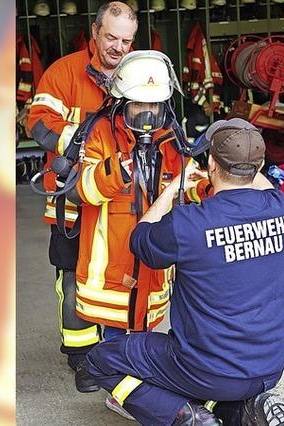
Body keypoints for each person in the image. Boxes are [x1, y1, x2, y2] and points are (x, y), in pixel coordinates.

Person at [86, 118, 284, 425]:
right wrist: (251, 162)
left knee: (102, 360)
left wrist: (171, 191)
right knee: (218, 381)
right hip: (271, 363)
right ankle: (246, 411)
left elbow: (140, 238)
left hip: (206, 367)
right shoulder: (282, 209)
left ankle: (186, 417)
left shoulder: (190, 222)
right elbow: (261, 183)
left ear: (211, 163)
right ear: (260, 165)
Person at [69, 50, 211, 414]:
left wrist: (207, 188)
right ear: (121, 104)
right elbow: (83, 189)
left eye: (155, 109)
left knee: (146, 333)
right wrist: (116, 169)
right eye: (137, 109)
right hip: (111, 261)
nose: (147, 118)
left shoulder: (172, 139)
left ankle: (139, 390)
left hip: (151, 260)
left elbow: (185, 185)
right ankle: (121, 390)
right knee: (114, 333)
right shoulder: (99, 132)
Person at [27, 1, 138, 393]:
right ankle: (81, 354)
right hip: (72, 203)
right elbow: (37, 120)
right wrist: (86, 142)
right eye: (111, 37)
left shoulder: (140, 75)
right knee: (73, 279)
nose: (118, 47)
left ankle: (118, 348)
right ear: (94, 32)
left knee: (122, 275)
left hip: (123, 204)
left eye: (126, 40)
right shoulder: (65, 72)